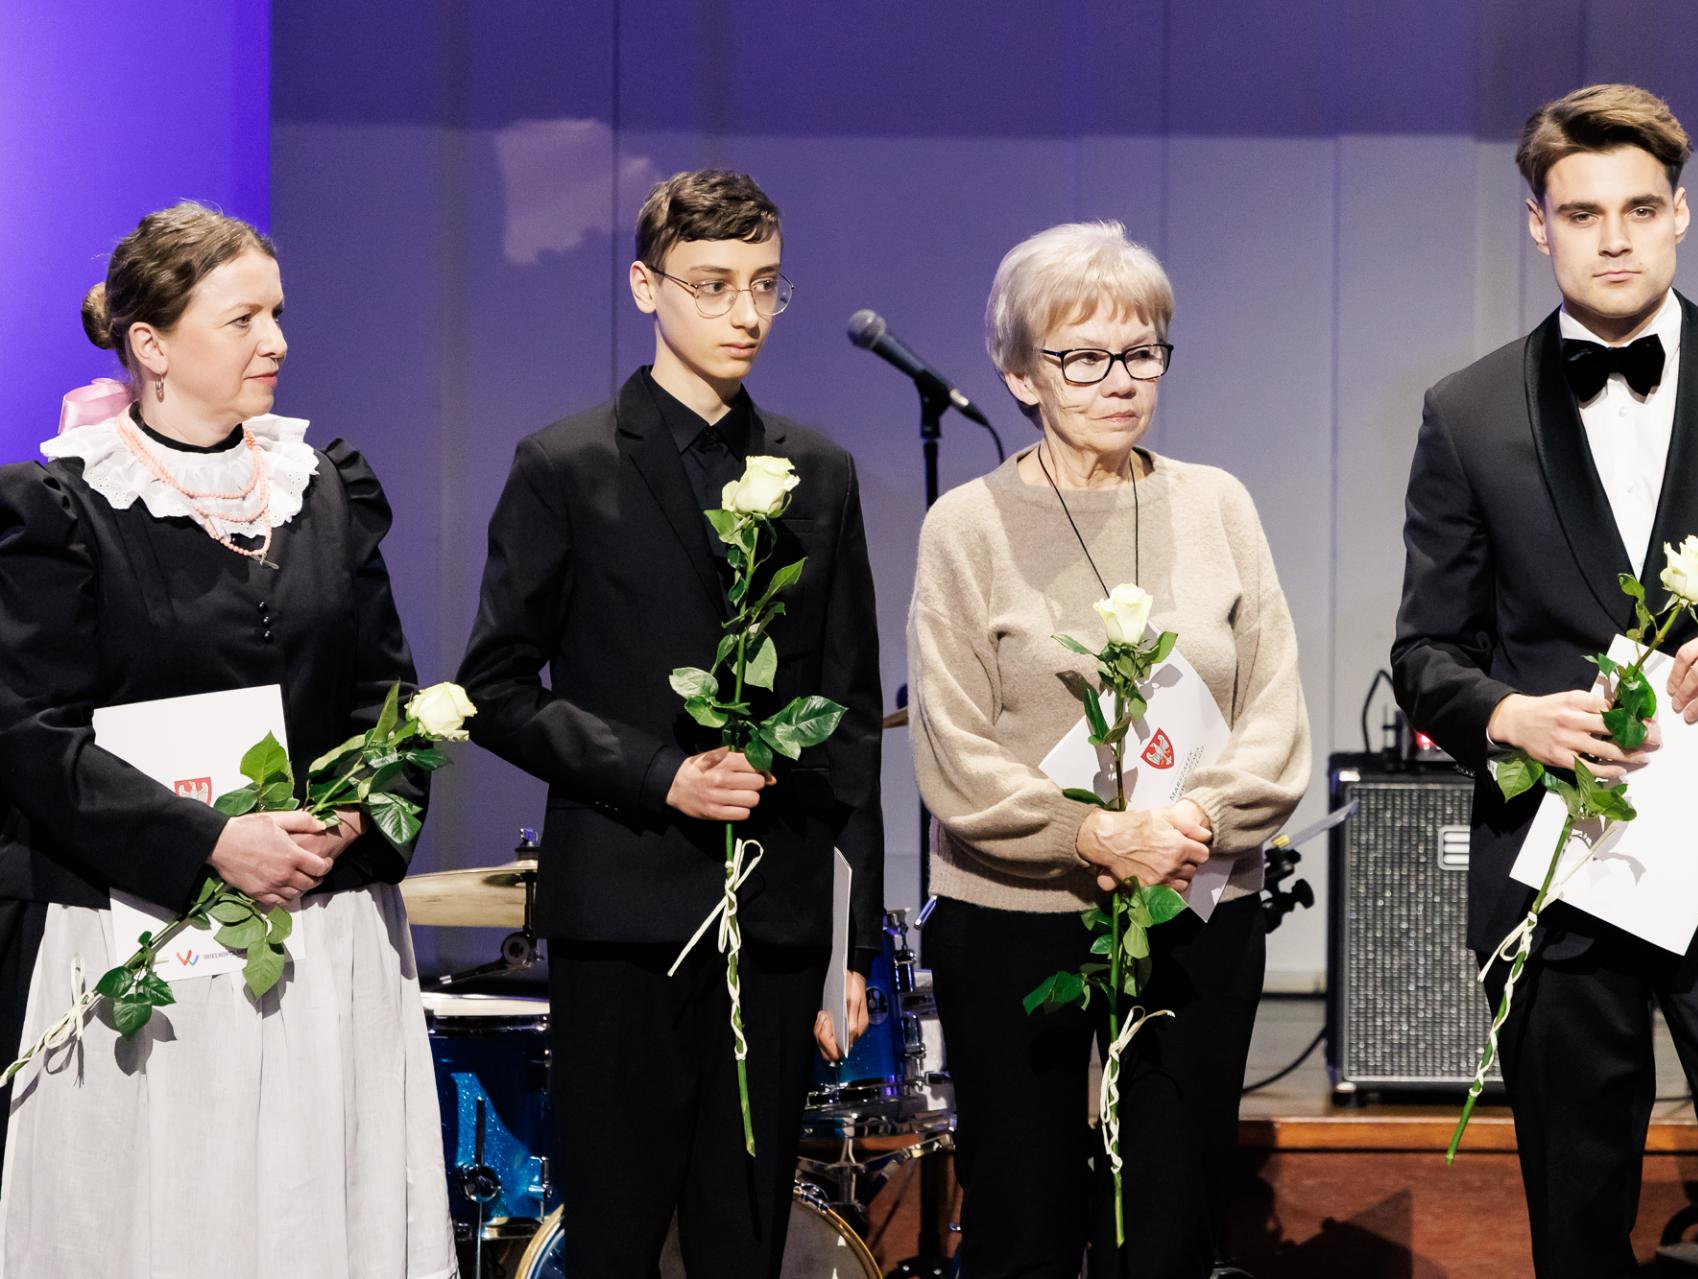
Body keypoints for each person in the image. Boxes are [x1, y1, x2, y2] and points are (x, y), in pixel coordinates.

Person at [1392, 84, 1698, 1278]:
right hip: (1564, 869)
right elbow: (1425, 655)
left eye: (1638, 208)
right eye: (1582, 213)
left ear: (1680, 213)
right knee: (1577, 1229)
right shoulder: (1467, 414)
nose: (1613, 238)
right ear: (1539, 226)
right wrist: (1509, 714)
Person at [0, 202, 455, 1277]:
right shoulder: (62, 505)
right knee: (167, 1224)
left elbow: (387, 695)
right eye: (243, 318)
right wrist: (211, 842)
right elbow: (30, 735)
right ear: (151, 346)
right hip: (139, 928)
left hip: (322, 928)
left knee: (313, 1218)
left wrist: (355, 818)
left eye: (278, 313)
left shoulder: (324, 486)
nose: (276, 340)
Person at [458, 169, 883, 1278]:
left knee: (745, 1238)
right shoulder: (566, 465)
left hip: (776, 919)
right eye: (713, 284)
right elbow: (494, 687)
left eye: (766, 285)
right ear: (646, 286)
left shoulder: (820, 473)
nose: (746, 313)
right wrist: (661, 773)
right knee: (616, 1239)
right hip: (624, 918)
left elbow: (847, 715)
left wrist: (850, 945)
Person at [908, 220, 1311, 1278]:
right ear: (1020, 374)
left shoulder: (1218, 503)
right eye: (1083, 357)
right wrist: (1092, 835)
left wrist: (1192, 823)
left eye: (1142, 351)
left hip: (1193, 900)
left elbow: (1275, 714)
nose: (1121, 379)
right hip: (1015, 917)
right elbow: (952, 751)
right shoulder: (966, 526)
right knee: (1023, 1226)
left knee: (1169, 1228)